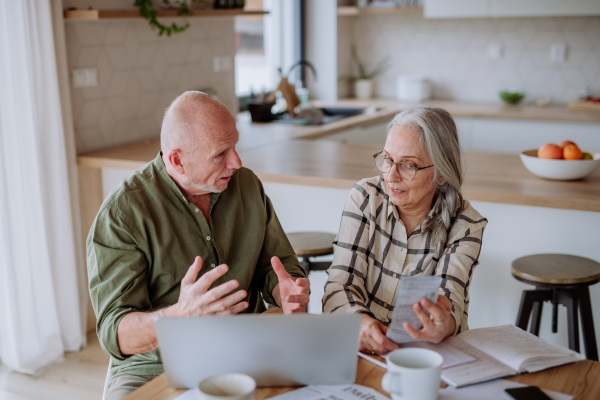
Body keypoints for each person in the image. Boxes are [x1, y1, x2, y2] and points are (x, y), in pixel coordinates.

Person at [87, 91, 310, 400]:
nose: (237, 162)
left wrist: (285, 291)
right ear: (178, 159)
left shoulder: (246, 185)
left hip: (247, 346)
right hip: (157, 367)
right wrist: (180, 315)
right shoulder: (123, 213)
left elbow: (276, 264)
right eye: (221, 154)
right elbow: (116, 333)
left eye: (235, 145)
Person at [322, 107, 487, 355]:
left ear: (441, 174)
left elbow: (450, 298)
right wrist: (360, 323)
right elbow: (340, 284)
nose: (391, 176)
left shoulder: (466, 224)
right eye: (387, 159)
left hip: (426, 353)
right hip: (363, 348)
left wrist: (442, 324)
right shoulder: (366, 197)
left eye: (408, 165)